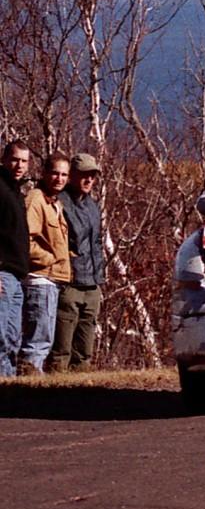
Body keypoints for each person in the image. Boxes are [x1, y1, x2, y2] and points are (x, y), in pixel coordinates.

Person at [48, 153, 105, 373]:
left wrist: (99, 277)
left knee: (84, 347)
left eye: (93, 175)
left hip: (92, 283)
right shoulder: (60, 202)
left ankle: (81, 388)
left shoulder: (93, 207)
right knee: (61, 345)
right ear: (72, 176)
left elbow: (97, 243)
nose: (89, 180)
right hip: (69, 282)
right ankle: (54, 388)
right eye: (84, 175)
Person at [18, 153, 71, 375]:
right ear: (45, 173)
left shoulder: (55, 202)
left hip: (52, 281)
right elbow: (26, 239)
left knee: (44, 340)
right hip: (39, 280)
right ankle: (27, 393)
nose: (59, 178)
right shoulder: (36, 199)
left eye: (64, 175)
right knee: (37, 342)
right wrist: (50, 259)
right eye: (55, 173)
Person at [0, 140, 30, 377]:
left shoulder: (16, 191)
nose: (19, 165)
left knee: (12, 338)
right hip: (2, 273)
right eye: (14, 159)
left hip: (17, 275)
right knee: (0, 337)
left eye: (24, 161)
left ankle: (8, 388)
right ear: (4, 159)